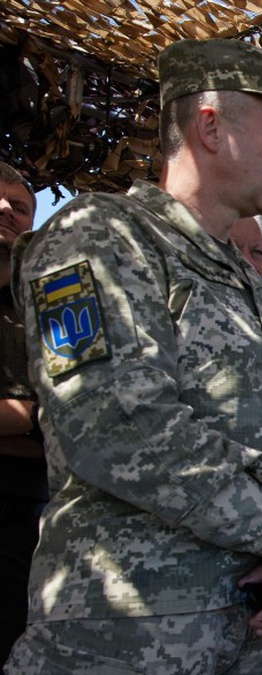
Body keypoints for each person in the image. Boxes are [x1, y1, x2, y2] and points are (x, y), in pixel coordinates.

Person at [6, 38, 262, 673]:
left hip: (252, 635)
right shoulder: (99, 236)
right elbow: (113, 424)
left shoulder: (252, 289)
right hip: (131, 636)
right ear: (210, 127)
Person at [0, 162, 42, 666]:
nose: (6, 210)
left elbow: (71, 422)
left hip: (28, 533)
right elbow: (48, 419)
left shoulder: (46, 308)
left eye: (20, 206)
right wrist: (33, 418)